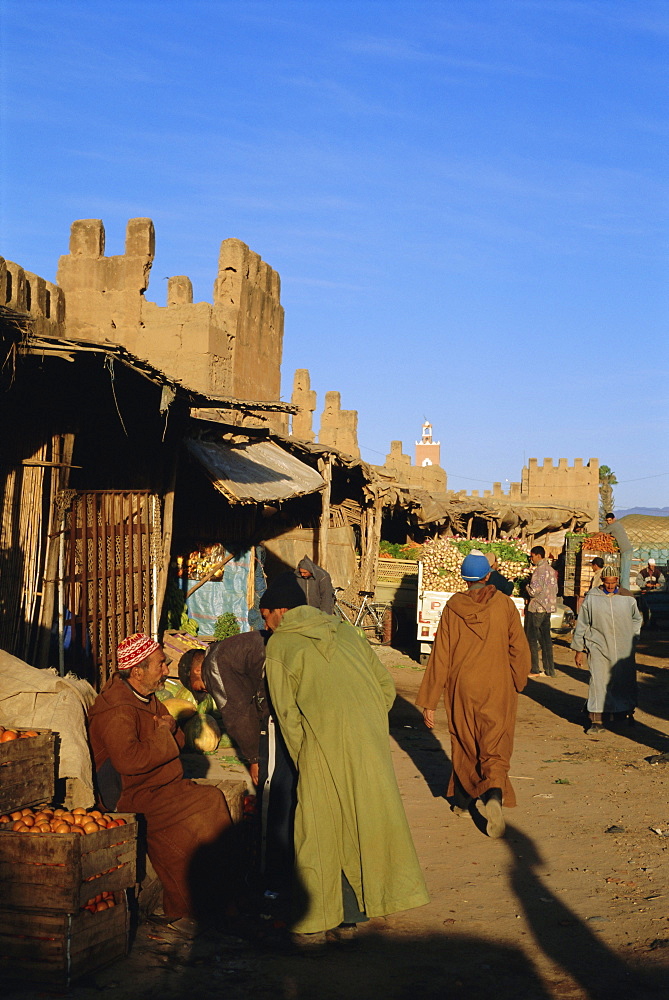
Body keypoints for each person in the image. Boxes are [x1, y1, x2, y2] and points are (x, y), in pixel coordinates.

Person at [261, 575, 429, 942]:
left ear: (280, 612)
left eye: (265, 615)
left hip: (321, 741)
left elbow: (286, 713)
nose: (265, 623)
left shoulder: (281, 645)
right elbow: (386, 687)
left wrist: (304, 753)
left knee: (319, 830)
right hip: (369, 739)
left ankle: (324, 917)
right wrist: (365, 721)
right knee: (367, 821)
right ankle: (364, 909)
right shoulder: (346, 630)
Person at [87, 633, 233, 935]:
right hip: (132, 794)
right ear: (137, 672)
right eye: (160, 665)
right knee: (208, 803)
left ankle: (205, 904)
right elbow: (129, 760)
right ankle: (194, 907)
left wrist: (166, 732)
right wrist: (164, 733)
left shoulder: (147, 698)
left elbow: (177, 736)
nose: (166, 670)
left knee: (206, 807)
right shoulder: (118, 710)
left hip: (159, 785)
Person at [416, 549, 531, 840]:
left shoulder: (453, 607)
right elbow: (518, 647)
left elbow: (441, 654)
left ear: (464, 578)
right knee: (494, 743)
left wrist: (429, 701)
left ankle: (464, 802)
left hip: (462, 687)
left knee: (467, 744)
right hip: (498, 684)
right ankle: (493, 793)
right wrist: (518, 680)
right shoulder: (505, 605)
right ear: (488, 575)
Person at [571, 571, 642, 734]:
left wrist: (633, 639)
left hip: (624, 650)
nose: (610, 586)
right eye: (607, 582)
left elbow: (637, 619)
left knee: (623, 681)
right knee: (599, 682)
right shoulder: (592, 598)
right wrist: (578, 649)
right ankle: (596, 720)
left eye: (613, 582)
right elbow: (582, 623)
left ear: (617, 580)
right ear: (602, 581)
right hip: (599, 647)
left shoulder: (627, 598)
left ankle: (624, 714)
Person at [524, 545, 558, 678]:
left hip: (537, 608)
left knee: (532, 639)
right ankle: (550, 670)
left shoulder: (538, 571)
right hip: (548, 608)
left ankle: (534, 669)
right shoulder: (551, 570)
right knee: (546, 640)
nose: (531, 559)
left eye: (532, 556)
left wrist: (526, 585)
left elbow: (534, 591)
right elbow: (555, 590)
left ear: (538, 555)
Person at [604, 513, 633, 590]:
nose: (609, 522)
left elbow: (602, 532)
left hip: (626, 551)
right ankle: (623, 590)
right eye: (607, 521)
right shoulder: (616, 525)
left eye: (610, 520)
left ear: (614, 519)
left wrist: (592, 536)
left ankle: (625, 592)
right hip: (625, 551)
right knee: (622, 572)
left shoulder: (614, 525)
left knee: (624, 573)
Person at [635, 558, 667, 628]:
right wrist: (645, 584)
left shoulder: (657, 572)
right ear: (648, 565)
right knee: (645, 608)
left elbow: (662, 581)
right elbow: (638, 581)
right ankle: (646, 622)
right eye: (651, 565)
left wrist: (659, 584)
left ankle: (653, 622)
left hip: (654, 593)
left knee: (653, 608)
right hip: (645, 592)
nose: (652, 567)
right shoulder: (643, 572)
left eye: (653, 566)